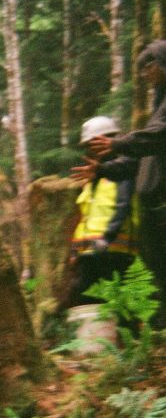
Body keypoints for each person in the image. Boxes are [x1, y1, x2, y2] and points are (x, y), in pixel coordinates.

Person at [72, 40, 166, 324]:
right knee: (157, 272)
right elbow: (138, 161)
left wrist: (119, 144)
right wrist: (102, 171)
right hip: (153, 206)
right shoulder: (158, 105)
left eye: (148, 67)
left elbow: (159, 136)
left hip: (162, 205)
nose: (145, 75)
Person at [65, 115, 138, 309]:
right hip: (90, 252)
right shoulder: (93, 177)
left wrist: (107, 238)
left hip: (114, 250)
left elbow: (123, 206)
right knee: (85, 300)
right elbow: (85, 218)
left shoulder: (123, 170)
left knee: (112, 305)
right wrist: (75, 251)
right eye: (88, 146)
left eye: (94, 144)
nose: (91, 150)